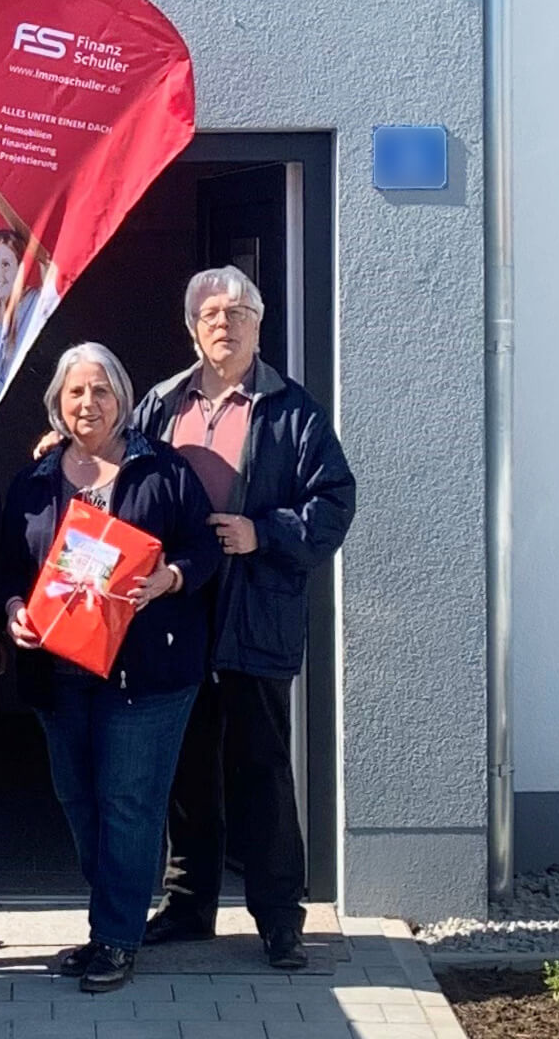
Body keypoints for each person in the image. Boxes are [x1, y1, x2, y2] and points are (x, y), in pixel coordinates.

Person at [135, 267, 356, 969]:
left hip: (255, 610)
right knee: (185, 765)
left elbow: (335, 501)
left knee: (261, 767)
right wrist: (63, 450)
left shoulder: (293, 411)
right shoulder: (160, 404)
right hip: (177, 608)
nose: (223, 324)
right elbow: (117, 470)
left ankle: (280, 919)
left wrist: (265, 532)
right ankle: (188, 905)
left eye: (237, 313)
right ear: (192, 328)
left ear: (260, 325)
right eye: (210, 314)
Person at [0, 343, 222, 993]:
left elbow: (203, 547)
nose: (88, 403)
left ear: (123, 399)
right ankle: (110, 926)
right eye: (76, 392)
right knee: (79, 798)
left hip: (145, 675)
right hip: (59, 675)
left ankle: (117, 939)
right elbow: (7, 564)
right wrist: (14, 609)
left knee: (127, 803)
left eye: (101, 390)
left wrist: (170, 577)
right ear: (57, 404)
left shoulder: (163, 470)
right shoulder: (37, 479)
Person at [0, 229, 43, 397]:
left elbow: (48, 263)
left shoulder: (36, 303)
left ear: (20, 268)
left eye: (5, 264)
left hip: (25, 401)